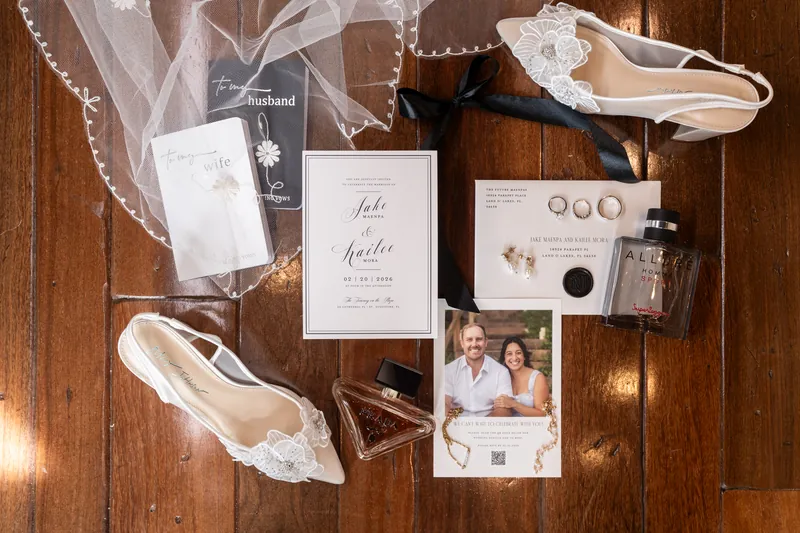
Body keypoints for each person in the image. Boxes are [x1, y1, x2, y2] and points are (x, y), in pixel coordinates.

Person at [444, 323, 513, 417]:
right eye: (469, 340)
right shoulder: (448, 371)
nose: (474, 344)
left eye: (479, 339)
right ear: (462, 343)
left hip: (489, 428)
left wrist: (480, 429)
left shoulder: (501, 372)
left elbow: (504, 410)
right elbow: (444, 404)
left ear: (486, 342)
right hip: (457, 427)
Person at [493, 336, 550, 417]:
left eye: (518, 353)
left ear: (524, 356)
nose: (514, 357)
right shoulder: (501, 377)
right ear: (504, 358)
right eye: (509, 354)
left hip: (532, 427)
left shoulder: (537, 378)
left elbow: (542, 413)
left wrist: (513, 404)